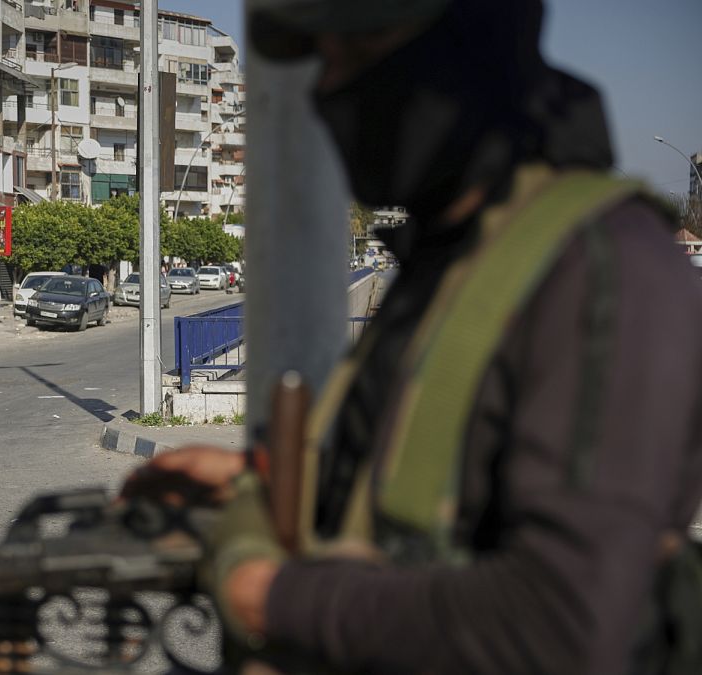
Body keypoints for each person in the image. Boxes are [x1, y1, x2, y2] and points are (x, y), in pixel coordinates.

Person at [123, 1, 702, 673]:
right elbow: (436, 504)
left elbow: (563, 624)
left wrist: (270, 595)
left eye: (362, 57)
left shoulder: (606, 267)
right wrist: (276, 484)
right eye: (325, 62)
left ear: (472, 44)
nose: (332, 92)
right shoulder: (456, 256)